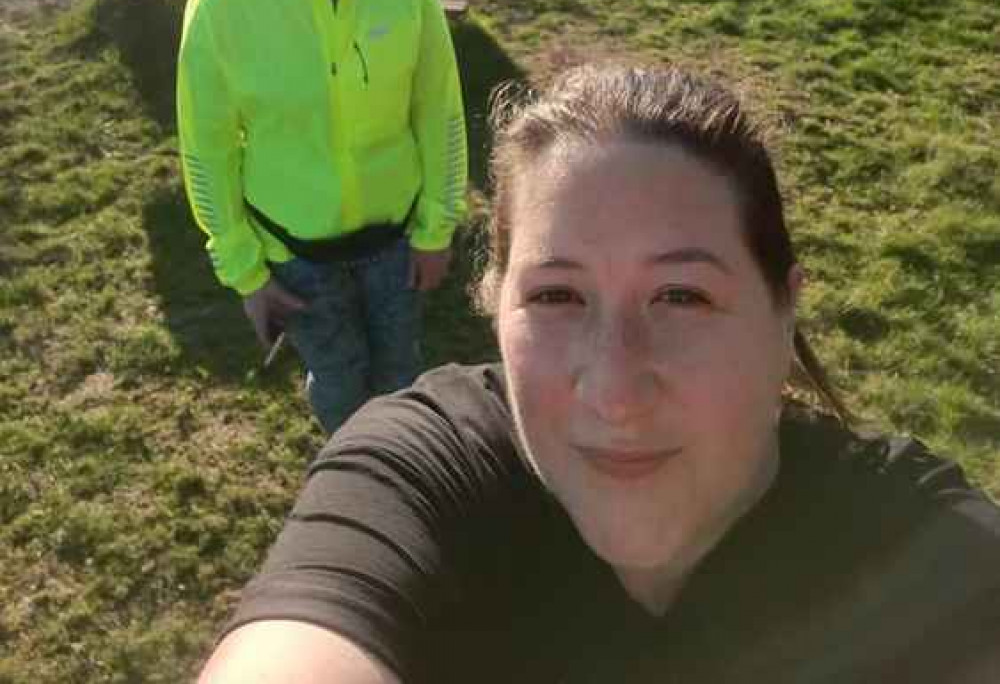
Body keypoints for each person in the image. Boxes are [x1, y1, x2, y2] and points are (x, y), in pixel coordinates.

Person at [196, 63, 1000, 684]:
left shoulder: (918, 543)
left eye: (681, 296)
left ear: (782, 311)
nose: (614, 391)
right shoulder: (424, 473)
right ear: (494, 303)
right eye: (558, 295)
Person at [177, 0, 467, 433]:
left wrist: (436, 228)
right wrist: (244, 272)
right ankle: (355, 481)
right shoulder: (220, 3)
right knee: (338, 383)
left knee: (400, 375)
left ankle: (407, 477)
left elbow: (439, 112)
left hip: (395, 242)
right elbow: (207, 146)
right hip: (293, 252)